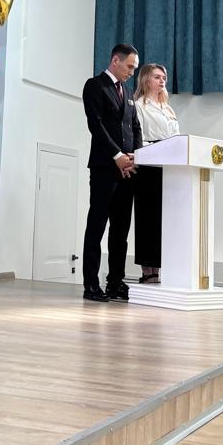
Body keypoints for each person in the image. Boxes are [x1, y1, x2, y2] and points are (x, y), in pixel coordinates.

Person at [81, 44, 141, 302]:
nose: (132, 72)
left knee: (121, 230)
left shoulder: (127, 93)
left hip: (127, 171)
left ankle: (115, 281)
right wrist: (117, 156)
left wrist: (136, 157)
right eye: (129, 67)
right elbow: (96, 125)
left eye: (134, 68)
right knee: (97, 226)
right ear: (115, 60)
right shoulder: (95, 86)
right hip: (105, 168)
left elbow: (135, 127)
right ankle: (91, 284)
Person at [133, 63, 180, 284]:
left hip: (168, 168)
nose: (162, 81)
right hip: (149, 167)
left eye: (164, 77)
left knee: (164, 221)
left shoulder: (168, 108)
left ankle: (160, 269)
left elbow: (176, 137)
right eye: (157, 77)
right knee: (148, 220)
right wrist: (157, 149)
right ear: (146, 79)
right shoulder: (139, 106)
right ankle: (147, 271)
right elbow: (137, 138)